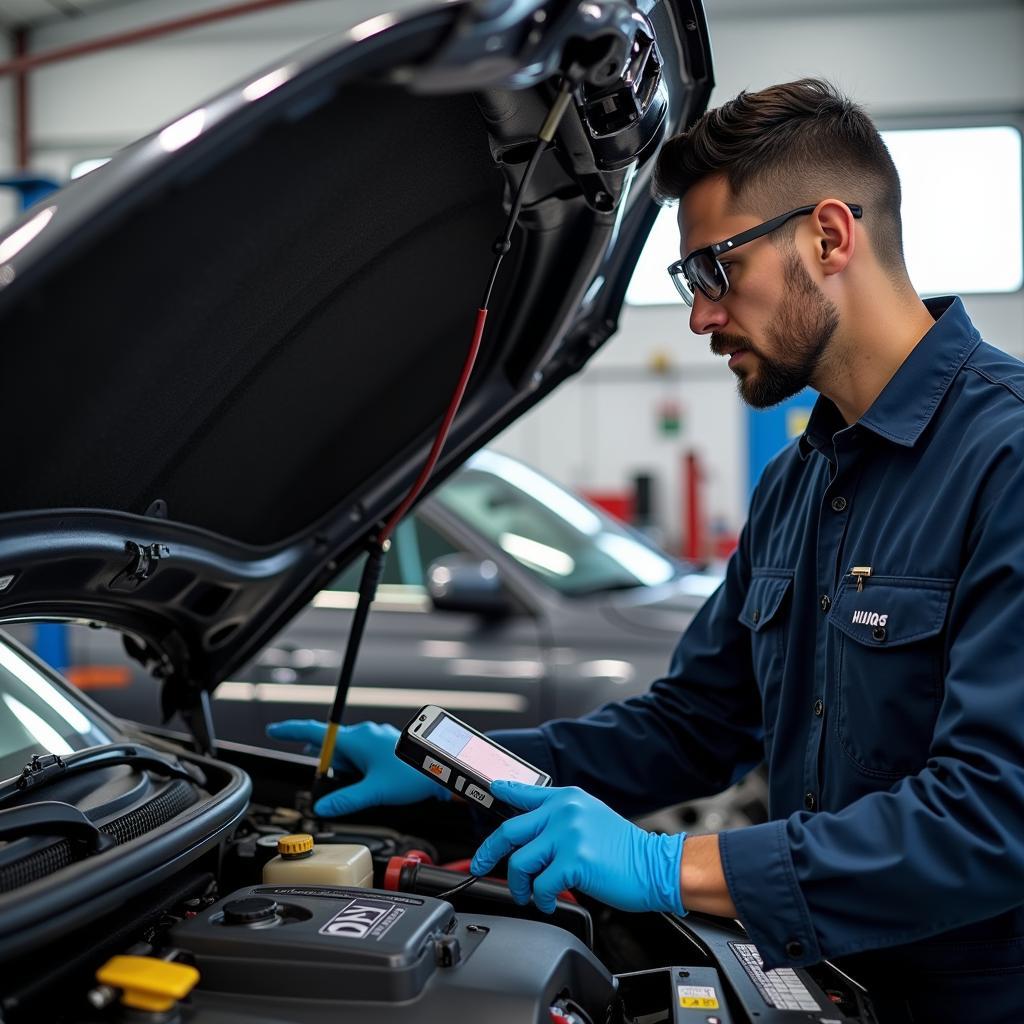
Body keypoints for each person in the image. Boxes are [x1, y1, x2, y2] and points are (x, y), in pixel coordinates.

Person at [268, 80, 1024, 1022]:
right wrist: (455, 773)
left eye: (714, 270)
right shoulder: (801, 483)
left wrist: (667, 866)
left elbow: (997, 820)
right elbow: (691, 725)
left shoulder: (1007, 460)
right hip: (832, 985)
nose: (702, 316)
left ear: (830, 237)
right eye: (689, 282)